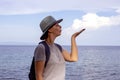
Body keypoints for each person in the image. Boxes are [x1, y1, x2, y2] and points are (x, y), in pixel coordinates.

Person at [34, 16, 85, 80]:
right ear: (49, 29)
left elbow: (73, 58)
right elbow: (38, 76)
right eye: (56, 25)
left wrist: (73, 38)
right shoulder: (41, 48)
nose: (60, 26)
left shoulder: (58, 47)